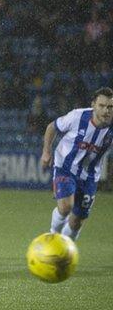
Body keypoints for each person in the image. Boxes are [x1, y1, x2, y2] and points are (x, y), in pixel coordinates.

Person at [40, 87, 113, 241]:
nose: (106, 110)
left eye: (110, 107)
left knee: (76, 222)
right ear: (93, 104)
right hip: (65, 167)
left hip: (90, 175)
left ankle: (66, 248)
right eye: (102, 106)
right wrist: (46, 151)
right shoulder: (77, 117)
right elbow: (52, 127)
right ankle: (52, 236)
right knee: (66, 207)